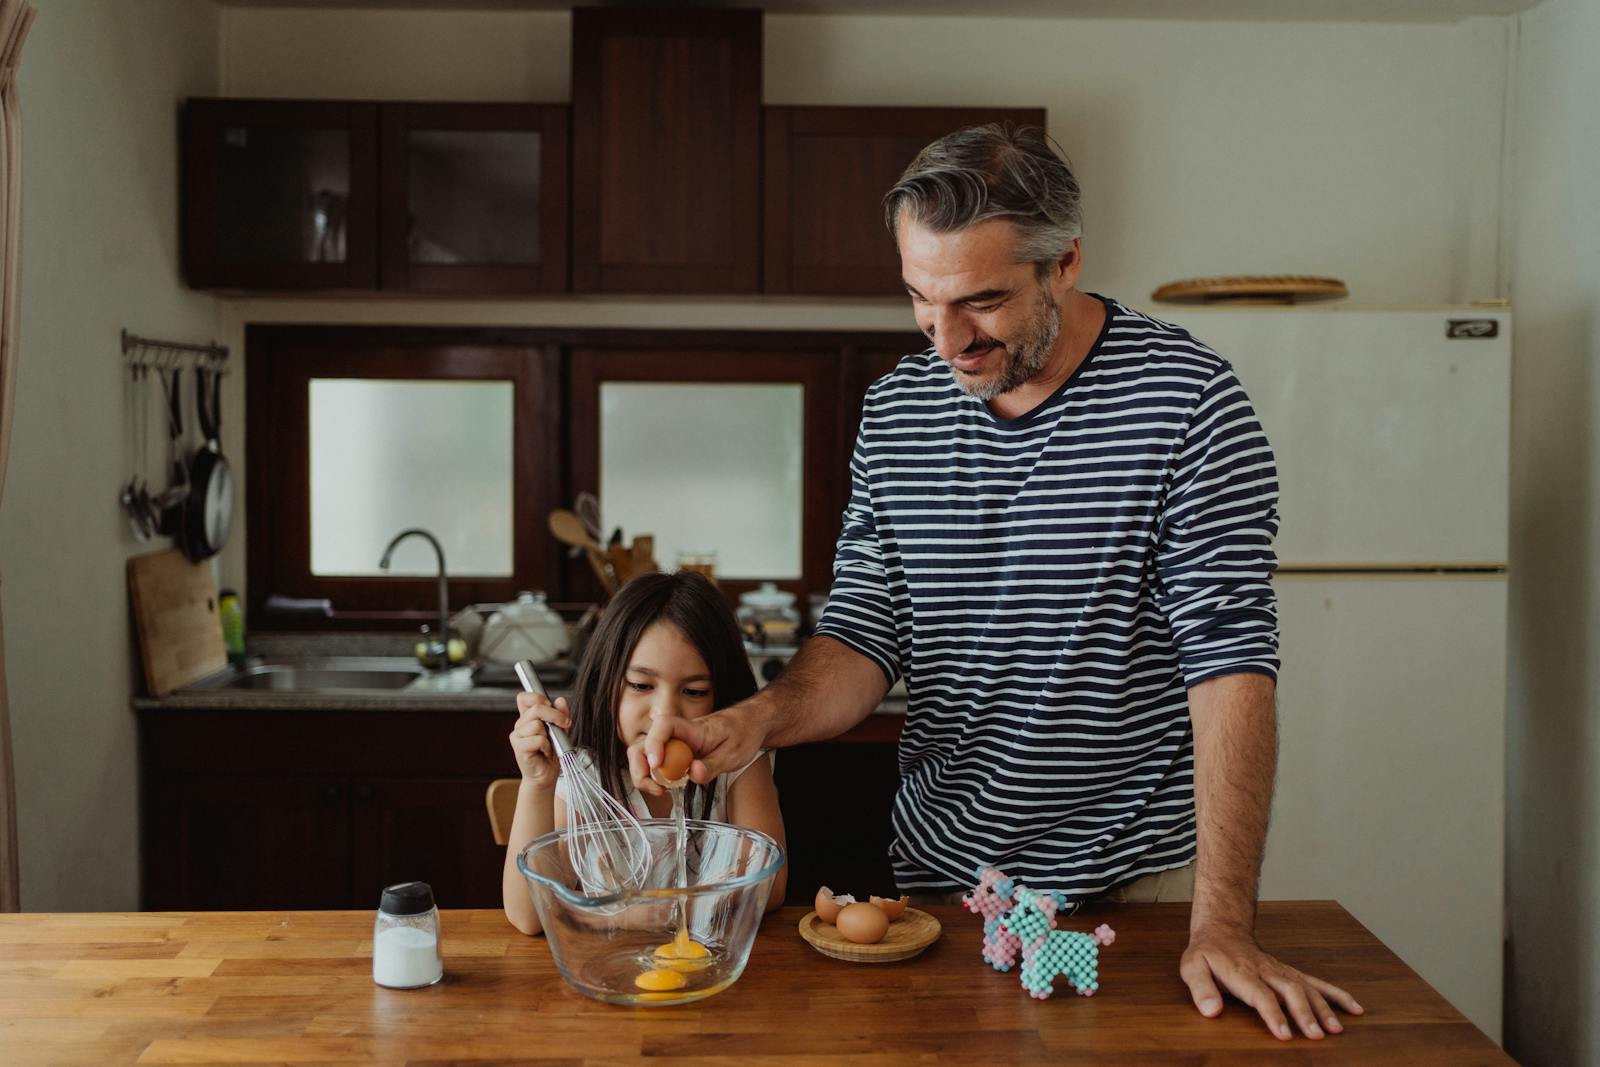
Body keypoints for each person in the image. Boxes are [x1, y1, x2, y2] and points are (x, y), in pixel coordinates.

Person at [637, 124, 1362, 1041]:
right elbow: (863, 634)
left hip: (1138, 887)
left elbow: (1230, 672)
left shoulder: (1189, 403)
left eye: (981, 302)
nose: (947, 340)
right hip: (946, 883)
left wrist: (1221, 924)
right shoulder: (899, 409)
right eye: (918, 299)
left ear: (1063, 264)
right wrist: (752, 724)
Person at [501, 571, 787, 936]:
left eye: (695, 691)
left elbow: (769, 890)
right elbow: (529, 915)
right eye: (641, 685)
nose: (664, 714)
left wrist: (618, 915)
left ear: (722, 695)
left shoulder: (738, 763)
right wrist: (538, 785)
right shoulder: (585, 776)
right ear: (605, 683)